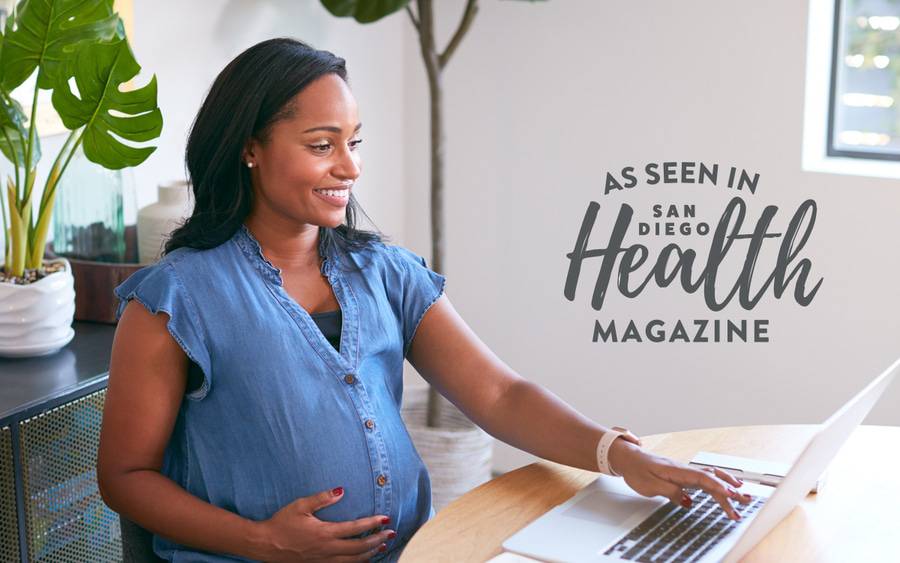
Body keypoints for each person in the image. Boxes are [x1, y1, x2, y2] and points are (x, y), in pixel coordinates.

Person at [97, 37, 751, 563]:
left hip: (416, 551)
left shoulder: (384, 271)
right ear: (249, 148)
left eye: (353, 143)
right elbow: (123, 475)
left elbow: (499, 394)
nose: (349, 168)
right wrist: (264, 540)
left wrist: (620, 453)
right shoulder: (173, 300)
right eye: (321, 145)